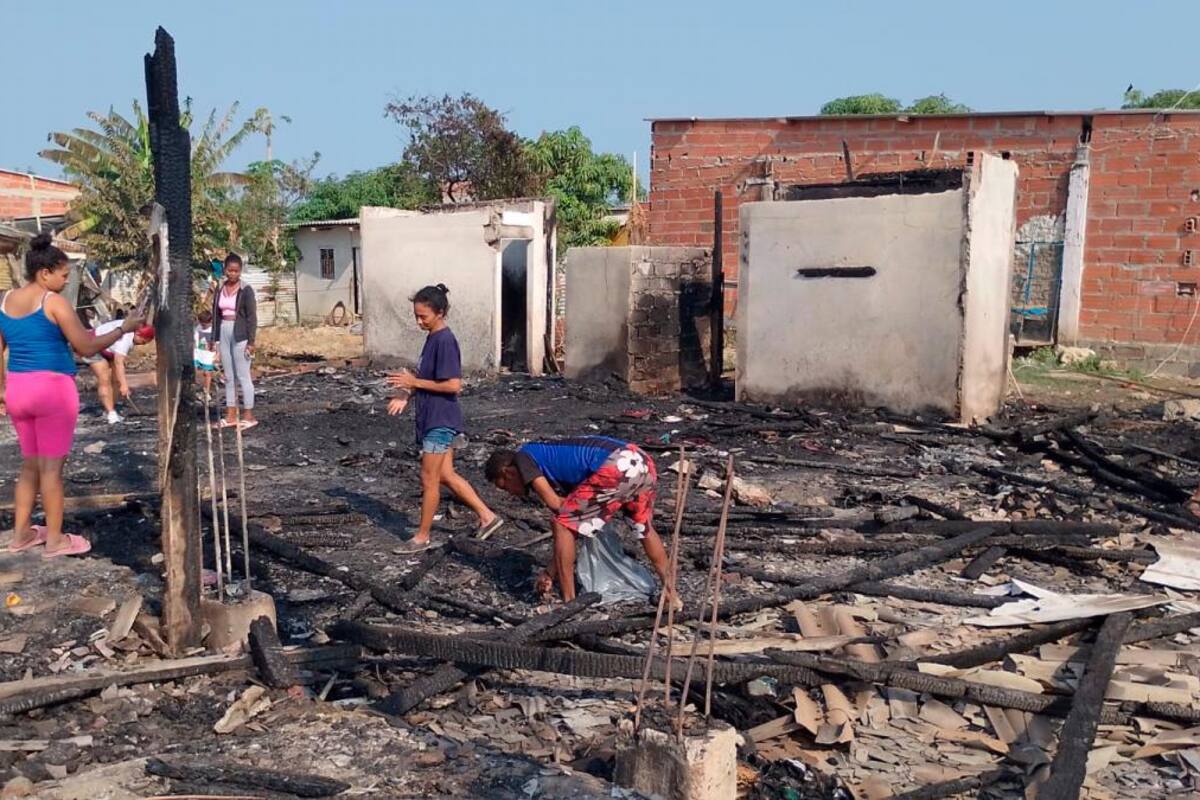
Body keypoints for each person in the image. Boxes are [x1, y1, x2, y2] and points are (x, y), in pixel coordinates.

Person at [0, 234, 143, 557]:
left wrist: (2, 390)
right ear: (44, 273)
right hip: (52, 391)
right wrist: (124, 328)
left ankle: (21, 534)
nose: (66, 282)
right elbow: (86, 346)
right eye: (63, 275)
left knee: (29, 466)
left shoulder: (4, 300)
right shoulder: (53, 302)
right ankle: (54, 539)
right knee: (52, 469)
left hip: (19, 389)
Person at [484, 436, 675, 604]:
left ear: (508, 473)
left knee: (560, 523)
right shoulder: (552, 463)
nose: (511, 493)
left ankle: (569, 601)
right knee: (644, 527)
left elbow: (557, 508)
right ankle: (672, 595)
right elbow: (574, 520)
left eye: (505, 487)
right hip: (640, 461)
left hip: (615, 465)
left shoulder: (523, 457)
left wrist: (551, 570)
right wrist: (550, 572)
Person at [385, 284, 502, 552]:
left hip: (440, 422)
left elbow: (453, 385)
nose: (418, 321)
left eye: (423, 316)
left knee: (429, 479)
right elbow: (427, 380)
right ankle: (488, 517)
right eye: (416, 315)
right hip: (433, 419)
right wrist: (407, 392)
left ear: (440, 313)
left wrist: (414, 382)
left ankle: (421, 537)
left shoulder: (445, 341)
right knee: (446, 474)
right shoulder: (432, 338)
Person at [210, 253, 257, 430]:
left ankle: (249, 415)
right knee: (228, 376)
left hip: (241, 335)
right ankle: (230, 416)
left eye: (236, 271)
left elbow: (252, 317)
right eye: (230, 270)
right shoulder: (220, 289)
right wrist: (213, 339)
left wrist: (251, 342)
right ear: (225, 270)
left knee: (243, 375)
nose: (233, 274)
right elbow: (216, 314)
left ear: (240, 271)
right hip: (224, 331)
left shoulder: (246, 290)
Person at [82, 315, 155, 424]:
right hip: (93, 345)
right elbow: (119, 362)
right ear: (138, 334)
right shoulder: (126, 339)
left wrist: (121, 383)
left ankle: (111, 409)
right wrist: (124, 385)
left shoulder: (133, 333)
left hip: (109, 349)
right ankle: (111, 413)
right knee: (104, 377)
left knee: (116, 380)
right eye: (143, 342)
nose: (141, 345)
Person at [193, 308, 216, 395]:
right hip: (198, 352)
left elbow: (218, 343)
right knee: (193, 369)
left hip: (208, 354)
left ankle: (206, 391)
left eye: (205, 325)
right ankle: (194, 388)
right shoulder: (198, 328)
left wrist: (218, 354)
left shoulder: (214, 330)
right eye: (201, 324)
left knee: (207, 373)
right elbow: (195, 339)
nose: (203, 326)